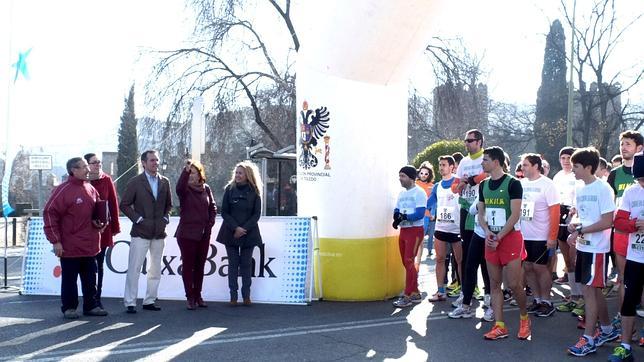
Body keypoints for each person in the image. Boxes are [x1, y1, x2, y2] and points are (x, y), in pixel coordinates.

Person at [566, 147, 619, 356]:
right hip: (583, 245)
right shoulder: (580, 189)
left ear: (588, 167)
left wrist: (581, 229)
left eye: (576, 167)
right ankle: (606, 329)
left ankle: (588, 338)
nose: (573, 171)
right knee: (593, 290)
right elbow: (584, 217)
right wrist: (574, 225)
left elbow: (607, 222)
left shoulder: (603, 189)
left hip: (597, 249)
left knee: (589, 292)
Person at [476, 146, 530, 340]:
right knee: (494, 283)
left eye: (485, 160)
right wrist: (488, 232)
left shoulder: (513, 183)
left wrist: (500, 236)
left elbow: (515, 214)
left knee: (514, 284)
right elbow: (481, 213)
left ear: (496, 162)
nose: (482, 163)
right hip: (491, 239)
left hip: (510, 238)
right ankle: (500, 325)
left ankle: (524, 318)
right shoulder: (483, 185)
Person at [43, 157, 108, 319]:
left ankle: (91, 306)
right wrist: (56, 241)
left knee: (90, 278)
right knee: (69, 280)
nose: (88, 170)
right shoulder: (63, 190)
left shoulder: (91, 189)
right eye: (84, 167)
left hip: (91, 245)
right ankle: (69, 308)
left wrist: (100, 223)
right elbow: (49, 213)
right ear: (74, 170)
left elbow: (97, 213)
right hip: (70, 246)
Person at [120, 150, 173, 313]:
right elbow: (125, 204)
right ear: (143, 163)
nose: (155, 163)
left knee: (155, 268)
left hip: (158, 233)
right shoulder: (135, 182)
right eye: (152, 160)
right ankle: (130, 302)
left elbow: (169, 205)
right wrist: (138, 220)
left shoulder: (165, 182)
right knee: (134, 267)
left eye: (157, 160)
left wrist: (165, 218)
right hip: (140, 232)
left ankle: (149, 300)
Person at [608, 154, 644, 362]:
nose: (642, 183)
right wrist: (634, 225)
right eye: (640, 180)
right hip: (636, 257)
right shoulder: (631, 192)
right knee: (629, 301)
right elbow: (619, 222)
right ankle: (625, 346)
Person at [450, 129, 489, 309]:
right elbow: (454, 186)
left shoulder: (486, 158)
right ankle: (467, 292)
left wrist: (471, 180)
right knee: (467, 253)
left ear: (479, 141)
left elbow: (489, 175)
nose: (466, 143)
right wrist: (460, 184)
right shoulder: (464, 161)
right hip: (466, 208)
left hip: (483, 208)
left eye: (470, 140)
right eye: (465, 140)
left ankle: (488, 295)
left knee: (483, 255)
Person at [216, 161, 264, 306]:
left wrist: (244, 229)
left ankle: (246, 296)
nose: (237, 175)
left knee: (246, 265)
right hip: (230, 232)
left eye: (240, 173)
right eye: (236, 173)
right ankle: (233, 297)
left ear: (247, 175)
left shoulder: (255, 191)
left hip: (249, 233)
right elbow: (224, 211)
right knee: (233, 264)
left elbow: (256, 214)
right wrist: (235, 228)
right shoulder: (229, 190)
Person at [519, 154, 560, 318]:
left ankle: (546, 301)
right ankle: (536, 299)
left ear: (536, 166)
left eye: (526, 165)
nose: (523, 168)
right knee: (528, 267)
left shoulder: (547, 185)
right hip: (524, 234)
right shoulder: (521, 184)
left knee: (540, 268)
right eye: (522, 165)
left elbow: (555, 213)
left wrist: (552, 237)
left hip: (541, 235)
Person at [175, 160, 217, 310]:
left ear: (200, 174)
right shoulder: (185, 190)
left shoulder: (206, 189)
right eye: (189, 172)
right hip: (187, 234)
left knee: (200, 266)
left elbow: (213, 208)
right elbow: (178, 188)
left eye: (193, 172)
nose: (191, 175)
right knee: (188, 266)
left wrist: (210, 224)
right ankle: (190, 297)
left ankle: (198, 295)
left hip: (204, 234)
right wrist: (185, 172)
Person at [84, 153, 120, 309]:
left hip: (103, 230)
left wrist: (115, 227)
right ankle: (88, 297)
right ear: (86, 165)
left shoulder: (106, 179)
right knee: (87, 266)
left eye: (99, 162)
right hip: (84, 231)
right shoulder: (81, 181)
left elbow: (113, 203)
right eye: (94, 162)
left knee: (99, 265)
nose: (98, 164)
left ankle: (97, 299)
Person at [554, 147, 584, 316]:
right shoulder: (557, 176)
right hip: (560, 218)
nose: (566, 161)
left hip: (574, 219)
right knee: (567, 260)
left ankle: (581, 296)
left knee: (575, 258)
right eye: (563, 157)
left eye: (569, 157)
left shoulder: (578, 177)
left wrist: (574, 209)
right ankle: (574, 294)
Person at [427, 156, 461, 302]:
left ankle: (464, 291)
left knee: (460, 261)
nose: (441, 167)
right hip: (441, 228)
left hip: (456, 229)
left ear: (452, 167)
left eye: (444, 165)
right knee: (440, 259)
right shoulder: (437, 186)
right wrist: (431, 215)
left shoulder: (458, 183)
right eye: (440, 165)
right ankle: (440, 291)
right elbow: (427, 204)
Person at [391, 165, 427, 308]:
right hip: (404, 231)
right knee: (406, 263)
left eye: (403, 176)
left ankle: (407, 295)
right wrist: (397, 217)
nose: (400, 179)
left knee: (409, 261)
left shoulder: (419, 192)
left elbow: (419, 214)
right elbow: (396, 209)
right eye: (399, 176)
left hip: (415, 230)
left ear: (411, 178)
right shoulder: (401, 193)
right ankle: (415, 292)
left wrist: (403, 216)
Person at [416, 162, 435, 259]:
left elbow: (433, 203)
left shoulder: (432, 186)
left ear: (429, 175)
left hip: (426, 217)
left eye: (426, 174)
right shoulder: (415, 184)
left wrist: (432, 214)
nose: (423, 175)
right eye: (421, 173)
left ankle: (417, 264)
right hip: (415, 215)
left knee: (421, 240)